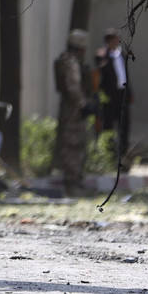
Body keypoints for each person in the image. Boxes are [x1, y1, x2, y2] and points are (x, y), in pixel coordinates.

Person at [53, 29, 91, 196]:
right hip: (73, 109)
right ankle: (72, 184)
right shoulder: (71, 63)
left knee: (71, 144)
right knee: (73, 145)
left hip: (69, 107)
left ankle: (74, 182)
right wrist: (83, 105)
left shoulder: (65, 60)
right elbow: (73, 86)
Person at [97, 28, 131, 162]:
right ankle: (109, 154)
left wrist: (129, 93)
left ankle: (123, 153)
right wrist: (106, 56)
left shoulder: (121, 54)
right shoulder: (102, 55)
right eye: (115, 39)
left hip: (122, 94)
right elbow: (101, 72)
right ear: (109, 41)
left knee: (124, 125)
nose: (118, 41)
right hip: (109, 96)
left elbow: (125, 75)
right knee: (108, 125)